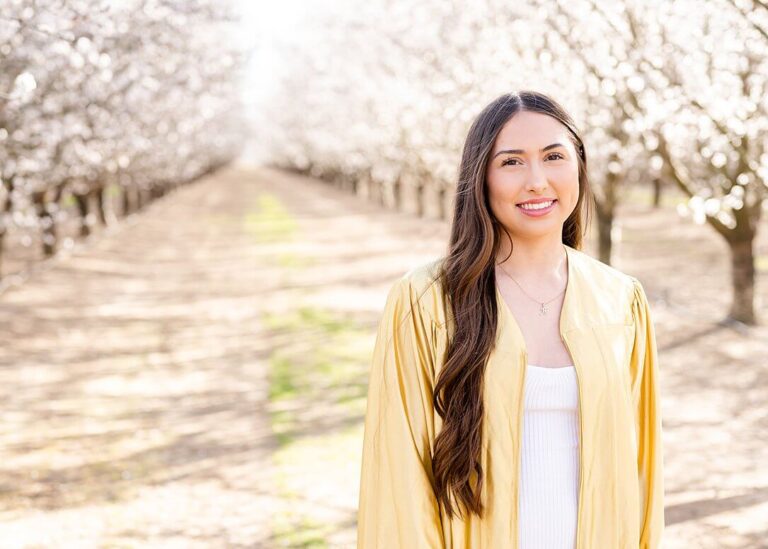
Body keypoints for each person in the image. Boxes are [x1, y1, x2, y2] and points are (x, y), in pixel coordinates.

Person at [356, 91, 664, 548]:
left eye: (554, 156)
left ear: (579, 165)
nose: (537, 181)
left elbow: (642, 468)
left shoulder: (620, 301)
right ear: (480, 178)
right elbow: (399, 477)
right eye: (512, 162)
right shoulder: (425, 303)